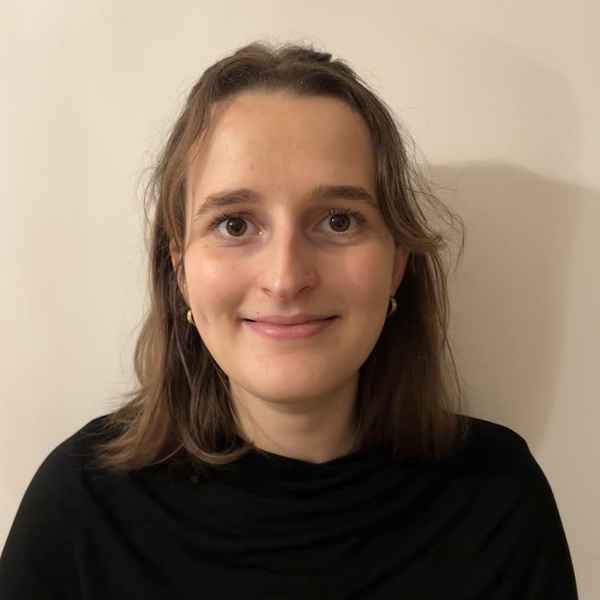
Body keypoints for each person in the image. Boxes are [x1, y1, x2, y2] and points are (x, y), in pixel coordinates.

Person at [0, 41, 578, 599]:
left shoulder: (500, 499)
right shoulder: (80, 508)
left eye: (338, 220)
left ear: (397, 264)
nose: (285, 278)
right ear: (180, 269)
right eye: (234, 224)